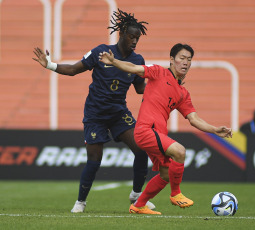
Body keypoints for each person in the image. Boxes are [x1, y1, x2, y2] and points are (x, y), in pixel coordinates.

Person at [32, 9, 156, 213]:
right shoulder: (101, 51)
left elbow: (140, 89)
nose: (134, 41)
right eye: (132, 36)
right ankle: (81, 202)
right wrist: (50, 65)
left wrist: (160, 82)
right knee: (94, 160)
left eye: (137, 38)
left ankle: (136, 196)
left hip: (118, 113)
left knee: (141, 149)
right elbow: (73, 70)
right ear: (122, 33)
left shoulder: (137, 60)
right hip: (95, 114)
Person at [98, 43, 233, 215]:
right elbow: (134, 68)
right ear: (171, 60)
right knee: (180, 151)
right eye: (182, 58)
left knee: (165, 175)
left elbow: (194, 119)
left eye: (189, 60)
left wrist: (214, 130)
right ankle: (176, 194)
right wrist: (114, 62)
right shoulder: (158, 72)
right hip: (145, 130)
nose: (185, 62)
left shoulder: (183, 93)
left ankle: (138, 205)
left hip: (158, 134)